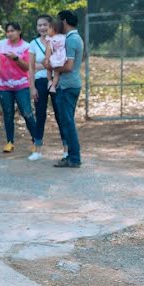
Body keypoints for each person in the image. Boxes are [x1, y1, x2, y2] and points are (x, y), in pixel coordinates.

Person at [0, 22, 36, 154]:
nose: (9, 34)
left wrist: (16, 59)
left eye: (12, 31)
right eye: (7, 31)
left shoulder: (26, 46)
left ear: (19, 32)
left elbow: (27, 67)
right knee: (8, 114)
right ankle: (10, 142)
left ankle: (36, 141)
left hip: (22, 84)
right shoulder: (2, 44)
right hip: (4, 85)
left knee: (26, 112)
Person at [27, 15, 66, 161]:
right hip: (40, 82)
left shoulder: (57, 40)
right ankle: (37, 150)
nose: (42, 28)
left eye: (45, 25)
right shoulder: (33, 43)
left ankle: (66, 149)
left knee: (60, 115)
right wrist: (32, 87)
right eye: (39, 25)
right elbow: (31, 67)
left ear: (51, 26)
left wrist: (42, 65)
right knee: (40, 115)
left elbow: (61, 60)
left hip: (56, 82)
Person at [51, 10, 83, 168]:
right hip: (71, 84)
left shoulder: (71, 40)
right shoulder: (75, 38)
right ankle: (72, 156)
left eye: (58, 21)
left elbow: (69, 66)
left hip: (68, 86)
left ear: (64, 21)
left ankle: (74, 158)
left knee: (68, 122)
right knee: (67, 121)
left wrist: (53, 66)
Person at [44, 19, 67, 94]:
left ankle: (50, 81)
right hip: (61, 56)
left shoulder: (50, 39)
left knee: (48, 69)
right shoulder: (63, 37)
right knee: (57, 72)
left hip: (54, 56)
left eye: (49, 28)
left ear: (55, 30)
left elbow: (48, 51)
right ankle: (53, 87)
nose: (47, 30)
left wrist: (47, 59)